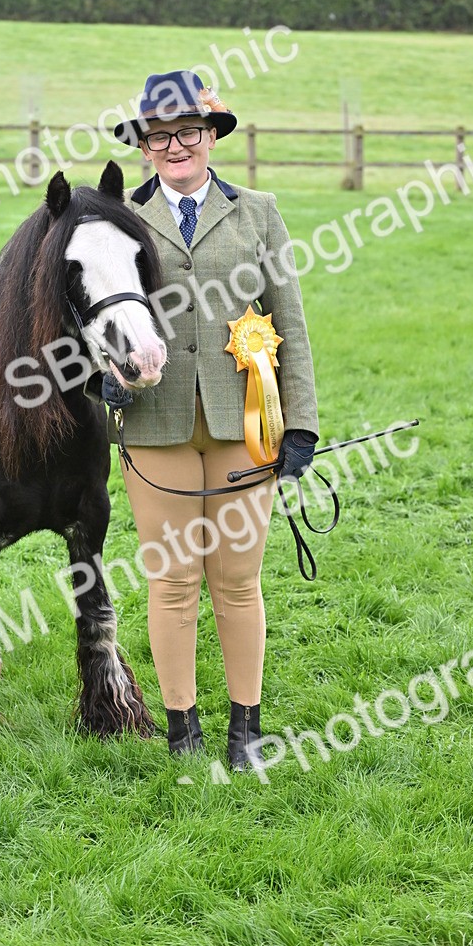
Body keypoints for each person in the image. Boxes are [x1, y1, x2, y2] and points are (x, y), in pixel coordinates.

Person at [109, 70, 319, 771]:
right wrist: (105, 382)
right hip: (155, 421)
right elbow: (98, 316)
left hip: (243, 422)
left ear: (211, 135)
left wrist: (302, 424)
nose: (176, 146)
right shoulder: (124, 219)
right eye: (160, 135)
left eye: (188, 132)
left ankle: (245, 729)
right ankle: (182, 728)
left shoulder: (259, 211)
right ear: (144, 146)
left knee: (236, 580)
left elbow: (290, 319)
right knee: (172, 581)